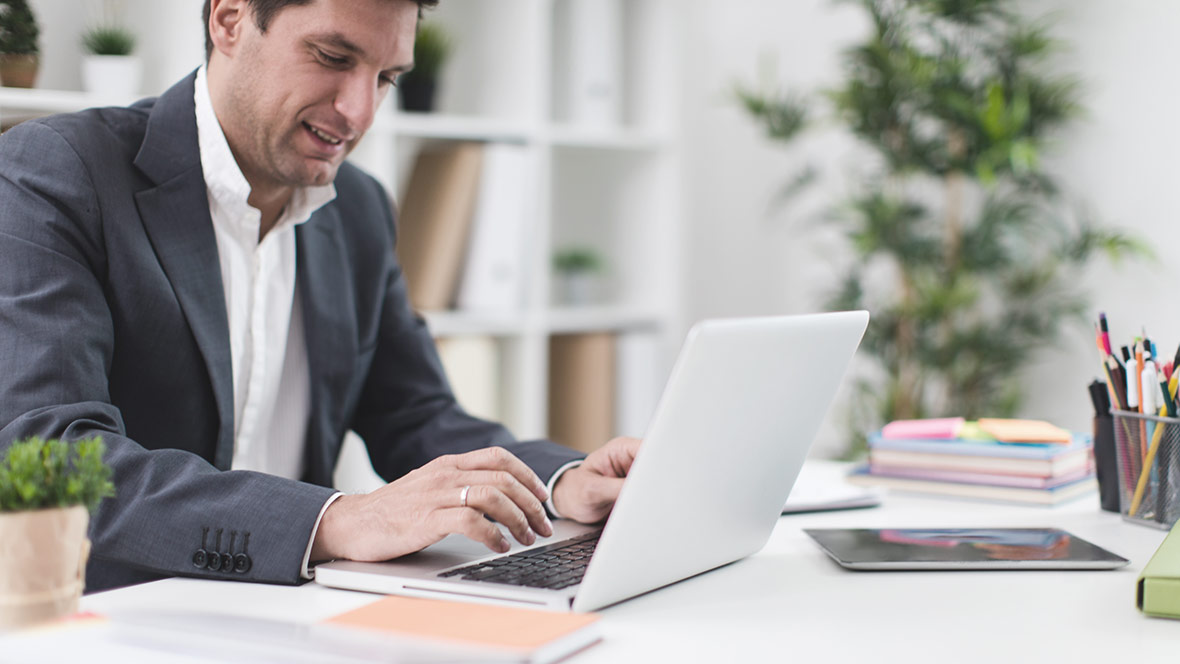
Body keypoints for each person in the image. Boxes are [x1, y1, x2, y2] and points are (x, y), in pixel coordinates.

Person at [0, 0, 639, 593]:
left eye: (387, 76)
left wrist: (562, 484)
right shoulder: (57, 172)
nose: (359, 111)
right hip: (112, 617)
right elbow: (55, 458)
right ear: (230, 20)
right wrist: (335, 521)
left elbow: (415, 414)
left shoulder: (358, 209)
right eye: (333, 58)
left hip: (300, 613)